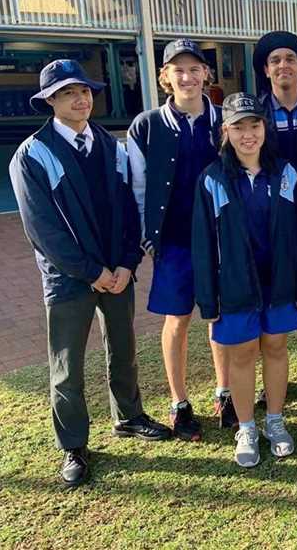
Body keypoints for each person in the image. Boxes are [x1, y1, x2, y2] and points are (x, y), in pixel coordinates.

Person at [9, 59, 171, 488]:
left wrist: (124, 263)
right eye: (67, 93)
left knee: (124, 347)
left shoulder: (110, 146)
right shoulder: (33, 155)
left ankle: (129, 416)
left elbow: (127, 210)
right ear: (49, 101)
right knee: (67, 366)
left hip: (117, 272)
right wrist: (92, 271)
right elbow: (43, 230)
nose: (80, 99)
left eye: (84, 91)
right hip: (69, 279)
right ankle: (74, 444)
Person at [192, 92, 297, 467]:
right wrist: (208, 301)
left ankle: (275, 421)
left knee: (276, 348)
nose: (248, 134)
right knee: (242, 354)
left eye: (255, 125)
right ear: (225, 131)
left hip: (278, 283)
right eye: (239, 127)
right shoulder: (212, 179)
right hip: (235, 286)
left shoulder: (286, 173)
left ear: (265, 127)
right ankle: (246, 427)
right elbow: (203, 243)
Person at [127, 39, 233, 440]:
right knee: (178, 320)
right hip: (172, 241)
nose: (187, 77)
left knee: (220, 315)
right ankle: (180, 402)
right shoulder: (147, 125)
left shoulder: (224, 119)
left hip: (220, 239)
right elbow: (138, 186)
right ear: (165, 77)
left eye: (194, 69)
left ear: (206, 74)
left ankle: (224, 394)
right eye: (178, 69)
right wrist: (146, 238)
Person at [252, 30, 297, 396]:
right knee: (273, 297)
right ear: (266, 69)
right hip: (271, 222)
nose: (284, 65)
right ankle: (272, 380)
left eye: (291, 59)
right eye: (276, 60)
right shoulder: (255, 115)